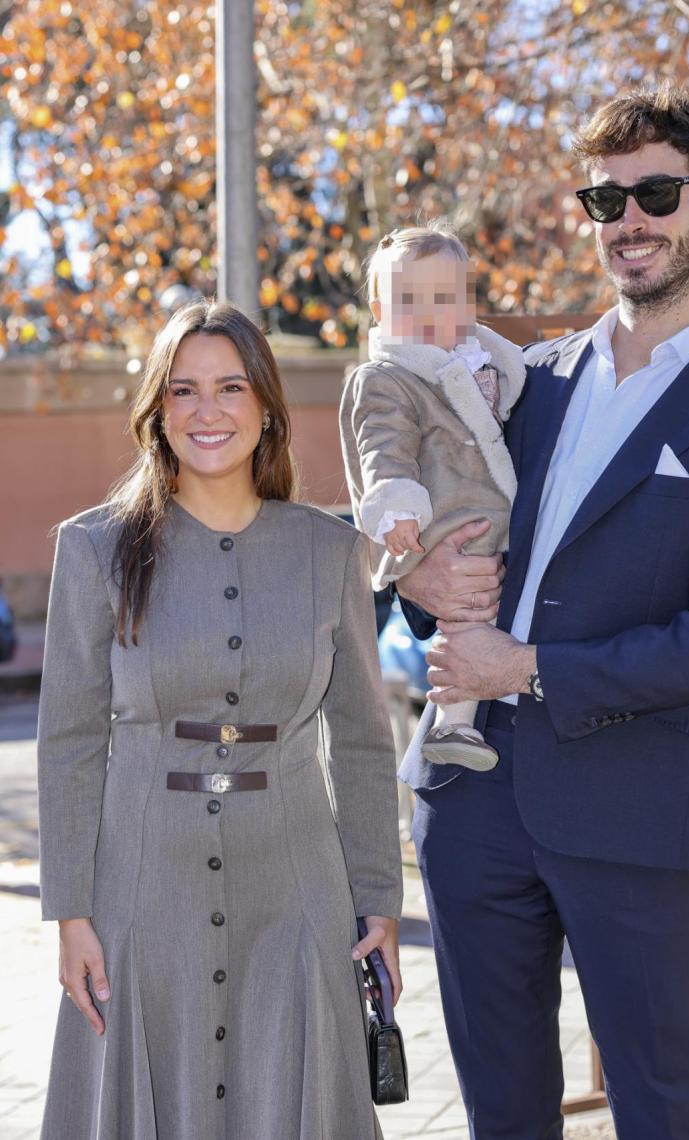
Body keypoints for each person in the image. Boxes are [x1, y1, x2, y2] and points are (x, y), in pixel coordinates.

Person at [396, 84, 689, 1139]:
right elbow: (436, 529)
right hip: (472, 806)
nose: (630, 220)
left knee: (661, 1111)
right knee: (500, 1112)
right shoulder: (525, 381)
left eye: (658, 193)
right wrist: (413, 584)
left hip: (635, 816)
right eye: (607, 198)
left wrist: (527, 667)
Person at [37, 300, 403, 1140]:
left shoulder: (329, 551)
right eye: (184, 391)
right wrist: (71, 915)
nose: (208, 412)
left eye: (230, 388)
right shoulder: (93, 551)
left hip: (296, 890)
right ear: (157, 414)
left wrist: (377, 898)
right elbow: (66, 743)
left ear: (266, 407)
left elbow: (359, 740)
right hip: (140, 894)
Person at [340, 222, 524, 771]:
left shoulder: (483, 363)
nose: (426, 312)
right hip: (446, 524)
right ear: (379, 307)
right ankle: (453, 724)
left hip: (491, 518)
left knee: (481, 617)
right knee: (467, 613)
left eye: (443, 298)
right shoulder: (387, 378)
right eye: (407, 299)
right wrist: (396, 506)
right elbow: (383, 444)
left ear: (467, 303)